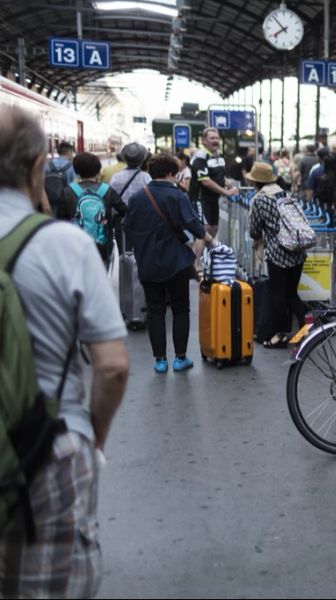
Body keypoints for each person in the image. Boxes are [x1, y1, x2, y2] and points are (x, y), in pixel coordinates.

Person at [0, 105, 129, 598]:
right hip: (47, 449)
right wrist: (91, 440)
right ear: (38, 168)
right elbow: (112, 368)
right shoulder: (63, 246)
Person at [126, 153, 214, 374]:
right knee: (180, 309)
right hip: (175, 262)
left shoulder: (137, 197)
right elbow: (192, 222)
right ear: (168, 173)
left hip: (148, 260)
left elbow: (128, 227)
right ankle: (180, 359)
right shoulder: (177, 196)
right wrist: (210, 239)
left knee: (155, 311)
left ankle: (160, 361)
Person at [247, 162, 308, 348]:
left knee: (278, 296)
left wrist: (258, 239)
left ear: (256, 182)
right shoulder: (286, 194)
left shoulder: (259, 200)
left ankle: (280, 336)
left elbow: (254, 230)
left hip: (278, 254)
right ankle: (307, 330)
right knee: (291, 294)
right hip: (297, 251)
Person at [58, 152, 127, 265]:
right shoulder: (107, 190)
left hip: (75, 246)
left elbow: (61, 221)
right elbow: (124, 211)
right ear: (98, 170)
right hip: (102, 247)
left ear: (76, 171)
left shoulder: (67, 191)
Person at [190, 127, 239, 239]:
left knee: (214, 229)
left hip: (213, 200)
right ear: (204, 141)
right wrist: (225, 193)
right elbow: (205, 181)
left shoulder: (219, 155)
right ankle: (197, 257)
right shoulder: (200, 157)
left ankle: (208, 255)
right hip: (201, 199)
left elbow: (219, 176)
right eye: (212, 138)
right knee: (203, 231)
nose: (215, 140)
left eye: (217, 138)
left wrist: (228, 183)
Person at [109, 142, 152, 207]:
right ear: (142, 159)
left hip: (119, 215)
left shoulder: (116, 177)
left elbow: (111, 198)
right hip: (139, 213)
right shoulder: (146, 178)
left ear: (124, 158)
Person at [43, 140, 76, 216]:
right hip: (66, 201)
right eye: (72, 153)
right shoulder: (71, 166)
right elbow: (75, 183)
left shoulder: (48, 164)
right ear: (69, 152)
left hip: (49, 200)